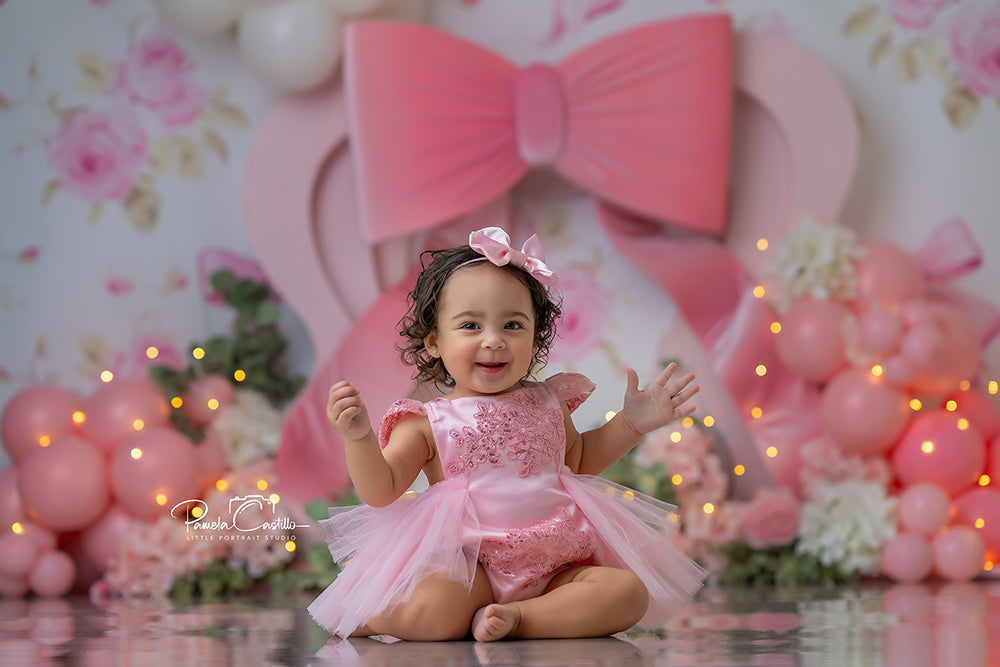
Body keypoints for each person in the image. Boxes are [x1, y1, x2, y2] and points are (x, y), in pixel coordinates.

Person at [308, 227, 705, 642]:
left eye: (513, 324)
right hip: (469, 566)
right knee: (436, 612)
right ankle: (377, 615)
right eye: (470, 326)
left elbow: (582, 457)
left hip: (558, 565)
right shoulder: (427, 422)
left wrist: (630, 424)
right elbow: (381, 490)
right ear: (434, 341)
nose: (494, 341)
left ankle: (519, 617)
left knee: (626, 593)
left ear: (536, 338)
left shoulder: (549, 402)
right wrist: (358, 437)